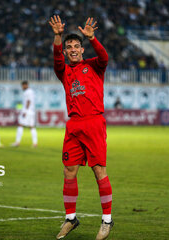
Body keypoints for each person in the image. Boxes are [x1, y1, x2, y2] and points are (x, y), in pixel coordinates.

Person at [49, 15, 113, 240]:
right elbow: (56, 59)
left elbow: (105, 56)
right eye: (69, 47)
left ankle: (107, 221)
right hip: (74, 124)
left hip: (94, 122)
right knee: (69, 171)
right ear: (66, 52)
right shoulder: (64, 71)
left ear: (82, 50)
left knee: (99, 171)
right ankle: (70, 218)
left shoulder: (95, 65)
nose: (73, 49)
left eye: (77, 46)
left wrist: (93, 39)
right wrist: (57, 36)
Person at [11, 81, 37, 147]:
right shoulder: (31, 91)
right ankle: (35, 143)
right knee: (32, 127)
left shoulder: (27, 92)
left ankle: (17, 142)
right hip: (32, 111)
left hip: (27, 111)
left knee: (20, 125)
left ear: (25, 85)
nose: (22, 87)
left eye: (22, 86)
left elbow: (28, 101)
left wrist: (25, 111)